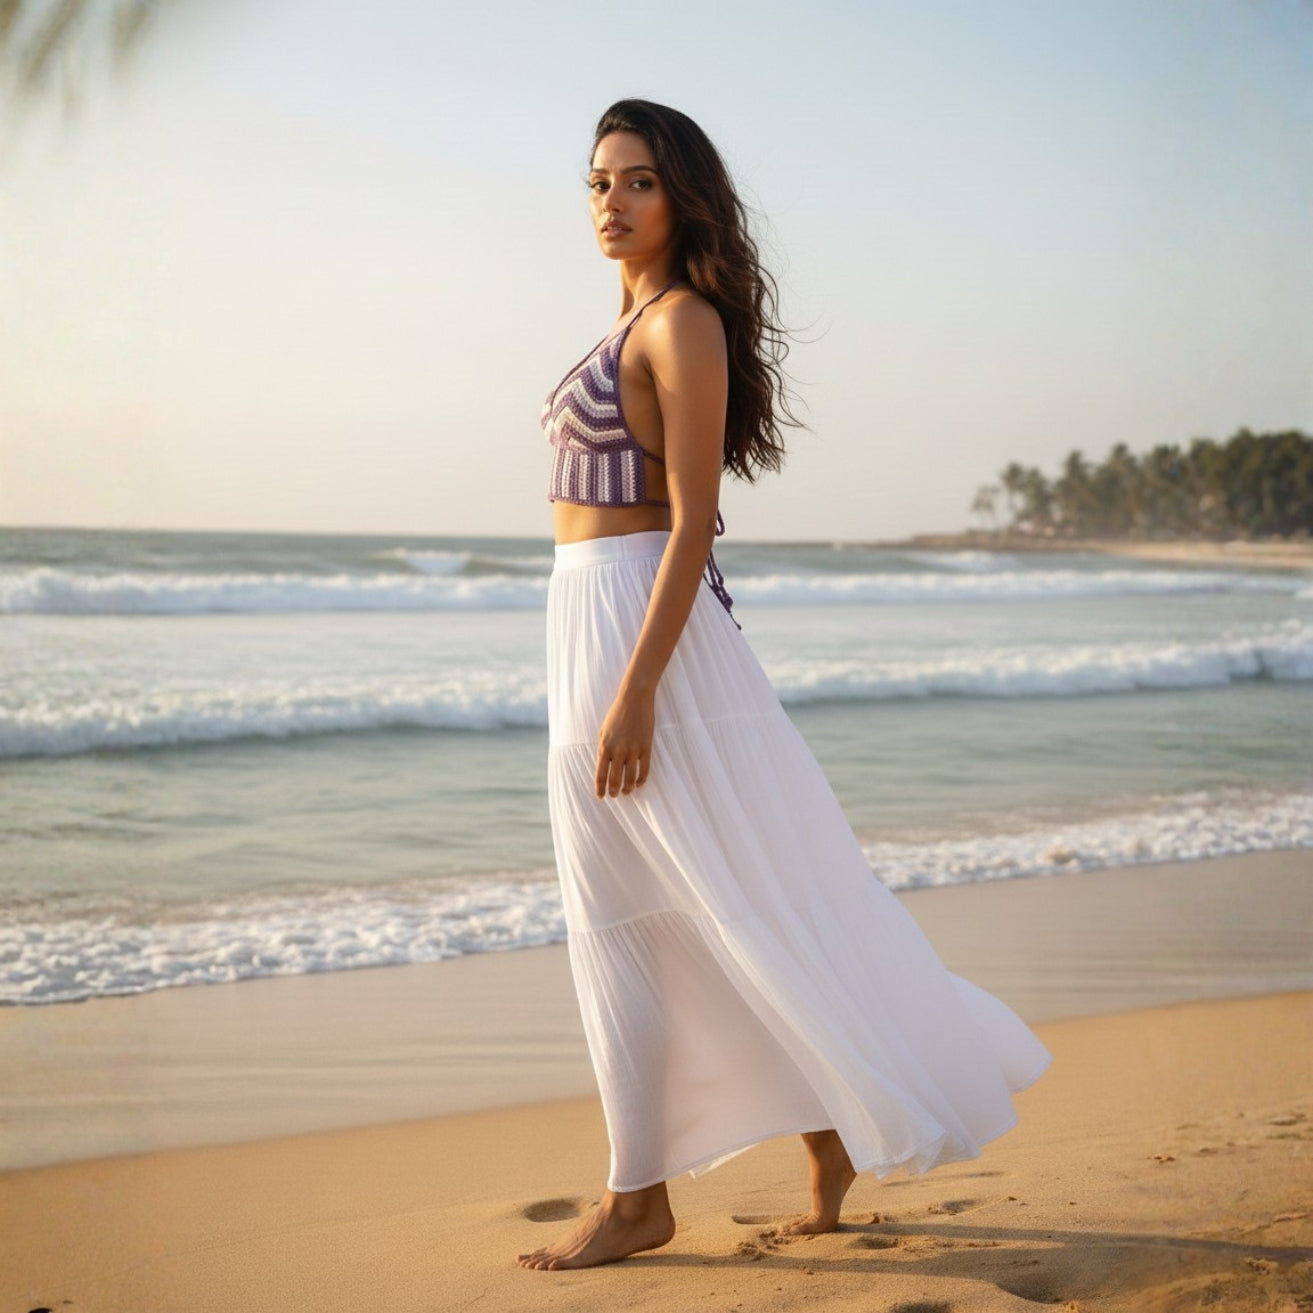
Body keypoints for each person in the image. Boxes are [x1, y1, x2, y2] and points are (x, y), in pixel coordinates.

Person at [516, 99, 1052, 1272]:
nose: (611, 202)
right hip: (590, 626)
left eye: (637, 182)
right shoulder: (632, 322)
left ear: (683, 196)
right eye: (598, 182)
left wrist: (639, 687)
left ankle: (638, 1194)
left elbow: (695, 520)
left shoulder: (681, 324)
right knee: (680, 912)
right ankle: (812, 1139)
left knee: (676, 913)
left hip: (639, 640)